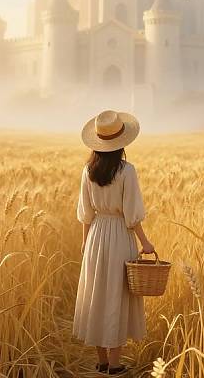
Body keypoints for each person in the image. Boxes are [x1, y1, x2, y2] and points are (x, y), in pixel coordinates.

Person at [72, 110, 155, 375]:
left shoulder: (88, 170)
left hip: (96, 234)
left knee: (96, 294)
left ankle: (102, 362)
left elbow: (85, 212)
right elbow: (131, 216)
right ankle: (116, 364)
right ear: (121, 143)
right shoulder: (127, 171)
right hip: (119, 235)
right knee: (116, 296)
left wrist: (85, 242)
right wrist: (146, 243)